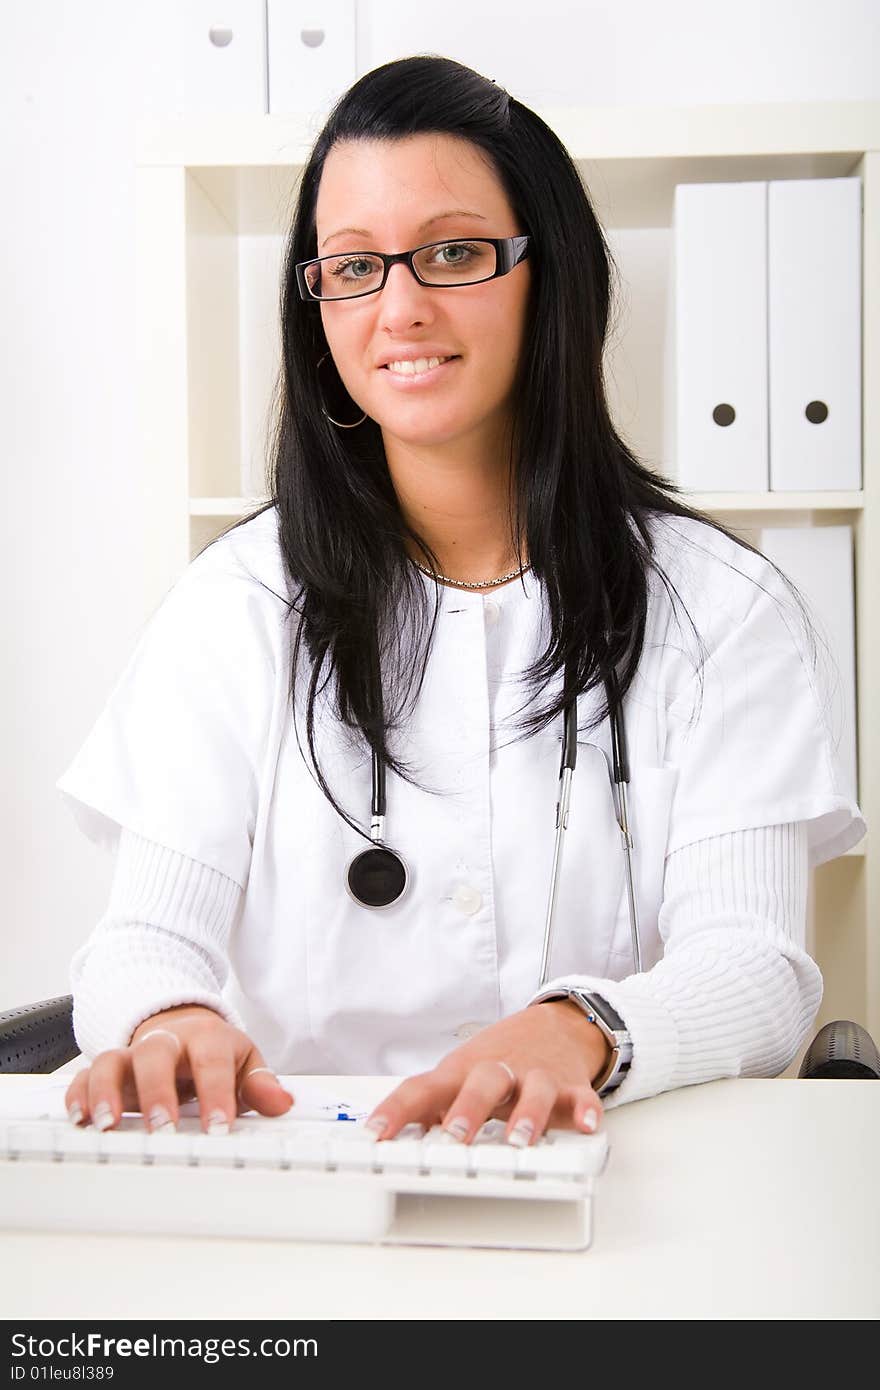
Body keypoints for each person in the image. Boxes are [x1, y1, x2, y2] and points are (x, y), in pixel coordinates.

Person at [58, 55, 865, 1149]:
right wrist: (170, 1016)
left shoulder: (719, 608)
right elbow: (139, 941)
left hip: (613, 1172)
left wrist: (581, 1026)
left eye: (451, 252)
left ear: (551, 271)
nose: (398, 307)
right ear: (317, 304)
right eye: (351, 267)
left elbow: (760, 970)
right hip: (310, 1180)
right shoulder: (237, 605)